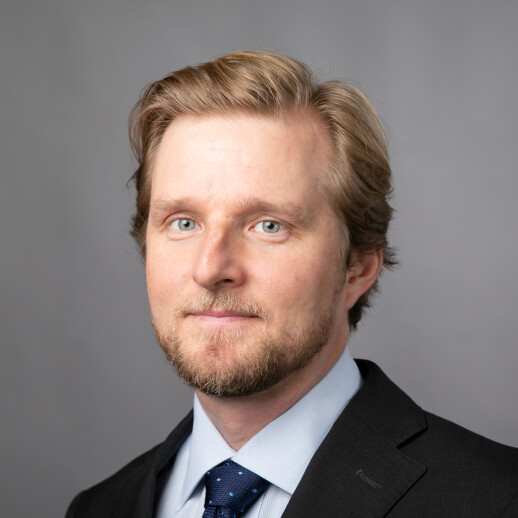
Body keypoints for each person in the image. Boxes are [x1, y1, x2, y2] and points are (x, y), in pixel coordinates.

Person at [66, 51, 518, 518]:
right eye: (183, 223)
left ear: (358, 266)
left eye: (268, 226)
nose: (210, 268)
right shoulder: (97, 510)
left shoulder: (498, 501)